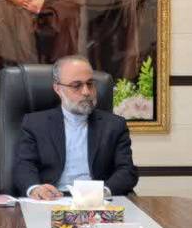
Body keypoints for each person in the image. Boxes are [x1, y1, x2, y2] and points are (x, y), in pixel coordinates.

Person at [12, 55, 138, 199]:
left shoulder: (114, 125)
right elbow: (24, 166)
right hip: (51, 200)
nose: (86, 92)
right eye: (76, 85)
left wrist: (102, 192)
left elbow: (127, 171)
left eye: (90, 84)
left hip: (97, 201)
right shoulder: (35, 124)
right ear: (58, 89)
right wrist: (35, 189)